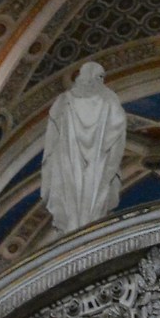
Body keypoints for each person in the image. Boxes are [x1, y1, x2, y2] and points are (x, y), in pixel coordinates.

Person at [41, 63, 126, 233]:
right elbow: (117, 130)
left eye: (102, 77)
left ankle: (82, 230)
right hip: (81, 161)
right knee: (77, 198)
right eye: (99, 76)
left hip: (85, 161)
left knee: (88, 200)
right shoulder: (107, 100)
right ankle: (79, 230)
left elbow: (53, 132)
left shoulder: (66, 101)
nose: (101, 80)